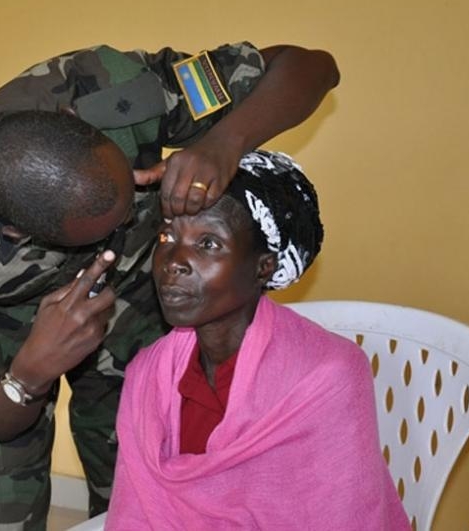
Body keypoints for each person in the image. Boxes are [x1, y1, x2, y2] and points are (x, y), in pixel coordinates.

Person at [0, 42, 339, 530]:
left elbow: (313, 67)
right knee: (3, 510)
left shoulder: (109, 87)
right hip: (1, 337)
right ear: (21, 236)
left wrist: (222, 143)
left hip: (128, 294)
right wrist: (30, 373)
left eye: (136, 193)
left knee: (139, 480)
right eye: (105, 226)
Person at [108, 151, 410, 530]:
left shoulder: (327, 376)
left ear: (262, 267)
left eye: (208, 244)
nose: (173, 260)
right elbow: (136, 513)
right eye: (168, 235)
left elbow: (346, 516)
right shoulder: (150, 375)